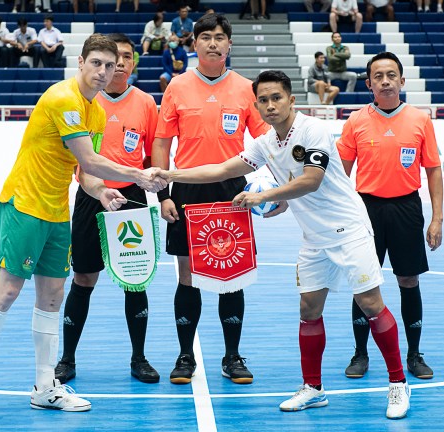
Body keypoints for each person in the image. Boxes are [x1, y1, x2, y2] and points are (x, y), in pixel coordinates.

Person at [162, 69, 411, 419]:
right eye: (262, 100)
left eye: (276, 97)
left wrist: (262, 195)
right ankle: (313, 389)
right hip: (314, 237)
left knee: (371, 304)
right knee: (309, 310)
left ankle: (398, 383)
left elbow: (311, 180)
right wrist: (171, 175)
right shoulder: (265, 143)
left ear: (291, 100)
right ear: (257, 106)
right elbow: (221, 169)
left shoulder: (313, 130)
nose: (269, 105)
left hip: (349, 229)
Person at [0, 33, 168, 422]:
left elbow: (86, 171)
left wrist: (103, 193)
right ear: (81, 64)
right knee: (6, 293)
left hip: (56, 209)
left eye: (110, 65)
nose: (104, 72)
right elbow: (91, 156)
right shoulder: (63, 99)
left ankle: (44, 388)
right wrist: (138, 175)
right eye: (97, 64)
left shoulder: (97, 113)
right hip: (24, 203)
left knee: (53, 297)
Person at [151, 13, 271, 386]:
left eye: (220, 37)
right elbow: (161, 142)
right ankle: (185, 356)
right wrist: (163, 194)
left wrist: (269, 187)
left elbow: (268, 141)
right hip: (185, 189)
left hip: (230, 190)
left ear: (229, 44)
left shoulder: (246, 89)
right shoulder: (177, 87)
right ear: (195, 43)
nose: (214, 43)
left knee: (231, 275)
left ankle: (232, 356)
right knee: (187, 276)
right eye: (206, 37)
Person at [54, 33, 161, 385]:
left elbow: (149, 156)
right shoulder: (85, 101)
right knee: (84, 277)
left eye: (126, 58)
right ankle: (67, 359)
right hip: (90, 193)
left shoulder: (146, 103)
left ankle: (140, 357)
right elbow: (82, 163)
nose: (118, 65)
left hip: (130, 196)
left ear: (131, 63)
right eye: (110, 60)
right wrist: (98, 187)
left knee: (135, 277)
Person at [335, 52, 443, 382]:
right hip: (365, 210)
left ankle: (413, 353)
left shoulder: (420, 120)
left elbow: (434, 170)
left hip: (407, 208)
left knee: (408, 280)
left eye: (391, 75)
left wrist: (437, 218)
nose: (385, 80)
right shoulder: (355, 121)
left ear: (401, 81)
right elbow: (340, 174)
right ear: (368, 84)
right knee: (363, 282)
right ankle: (360, 353)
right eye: (378, 76)